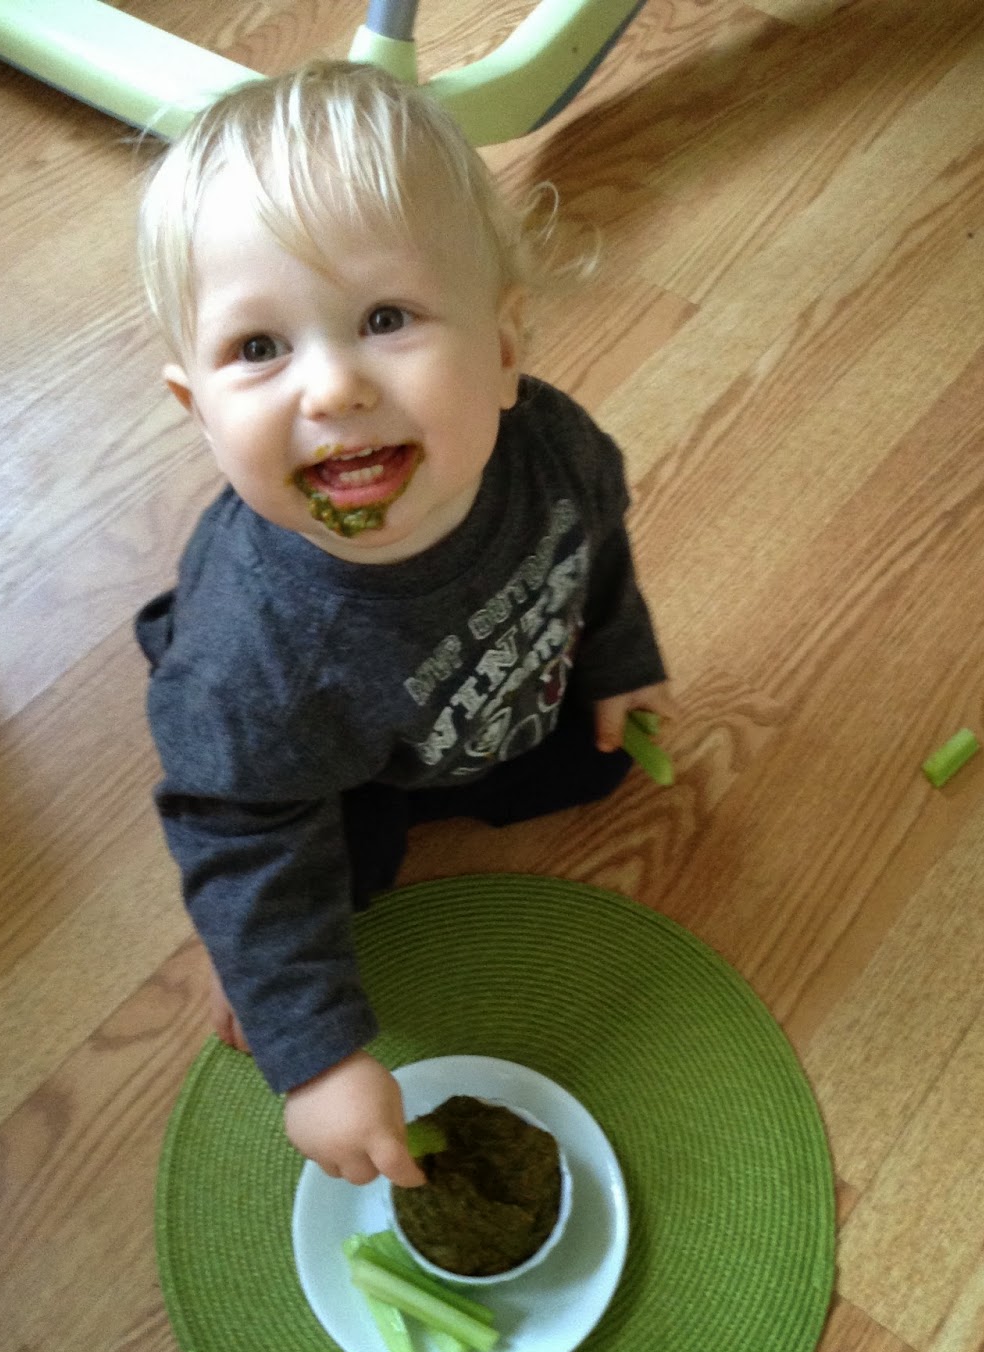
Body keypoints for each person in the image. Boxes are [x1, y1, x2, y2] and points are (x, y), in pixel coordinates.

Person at [134, 60, 672, 1189]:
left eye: (385, 319)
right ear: (198, 412)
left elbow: (594, 551)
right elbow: (237, 835)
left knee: (588, 773)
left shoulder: (553, 451)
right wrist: (311, 1046)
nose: (330, 389)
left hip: (481, 702)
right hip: (330, 771)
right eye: (258, 348)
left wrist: (617, 655)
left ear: (505, 350)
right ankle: (273, 981)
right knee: (331, 886)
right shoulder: (252, 662)